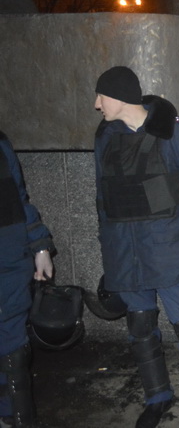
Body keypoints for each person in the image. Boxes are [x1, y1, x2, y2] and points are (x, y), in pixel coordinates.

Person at [93, 66, 179, 428]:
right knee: (140, 328)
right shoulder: (105, 137)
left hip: (169, 252)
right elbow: (103, 201)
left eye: (100, 96)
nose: (95, 104)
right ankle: (157, 397)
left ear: (118, 96)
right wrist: (110, 255)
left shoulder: (177, 131)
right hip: (127, 255)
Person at [0, 131, 55, 427]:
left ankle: (16, 417)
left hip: (7, 259)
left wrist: (40, 246)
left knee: (11, 344)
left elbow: (19, 200)